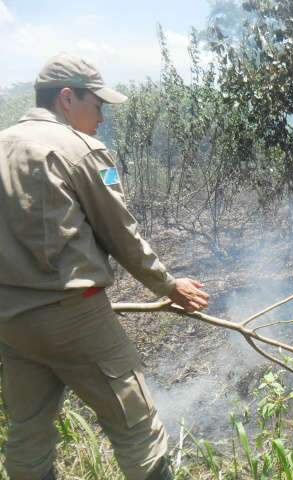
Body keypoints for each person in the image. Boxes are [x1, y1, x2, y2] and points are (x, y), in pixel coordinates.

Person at [0, 53, 209, 480]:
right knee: (138, 427)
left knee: (27, 436)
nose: (101, 117)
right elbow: (122, 234)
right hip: (74, 314)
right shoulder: (80, 150)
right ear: (66, 98)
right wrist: (169, 286)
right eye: (96, 105)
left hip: (10, 322)